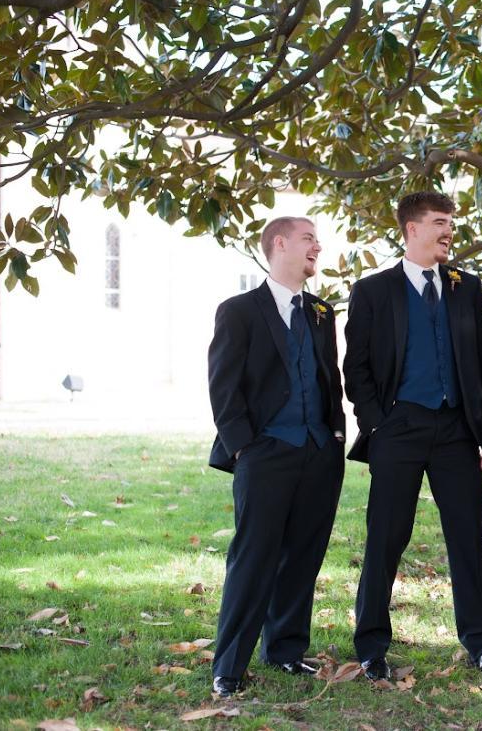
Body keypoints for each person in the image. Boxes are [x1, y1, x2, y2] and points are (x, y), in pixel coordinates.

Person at [343, 191, 482, 681]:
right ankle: (371, 646)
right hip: (399, 428)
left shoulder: (466, 288)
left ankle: (481, 643)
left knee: (469, 537)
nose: (448, 230)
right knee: (386, 537)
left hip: (457, 430)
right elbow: (358, 367)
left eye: (450, 222)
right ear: (412, 229)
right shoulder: (373, 291)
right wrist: (378, 422)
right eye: (440, 222)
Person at [207, 217, 346, 698]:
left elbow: (329, 378)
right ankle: (229, 665)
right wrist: (245, 444)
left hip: (318, 453)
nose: (318, 247)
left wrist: (335, 436)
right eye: (309, 238)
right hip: (265, 453)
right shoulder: (240, 311)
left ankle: (285, 650)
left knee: (303, 557)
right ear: (280, 244)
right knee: (253, 559)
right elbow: (223, 386)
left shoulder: (323, 313)